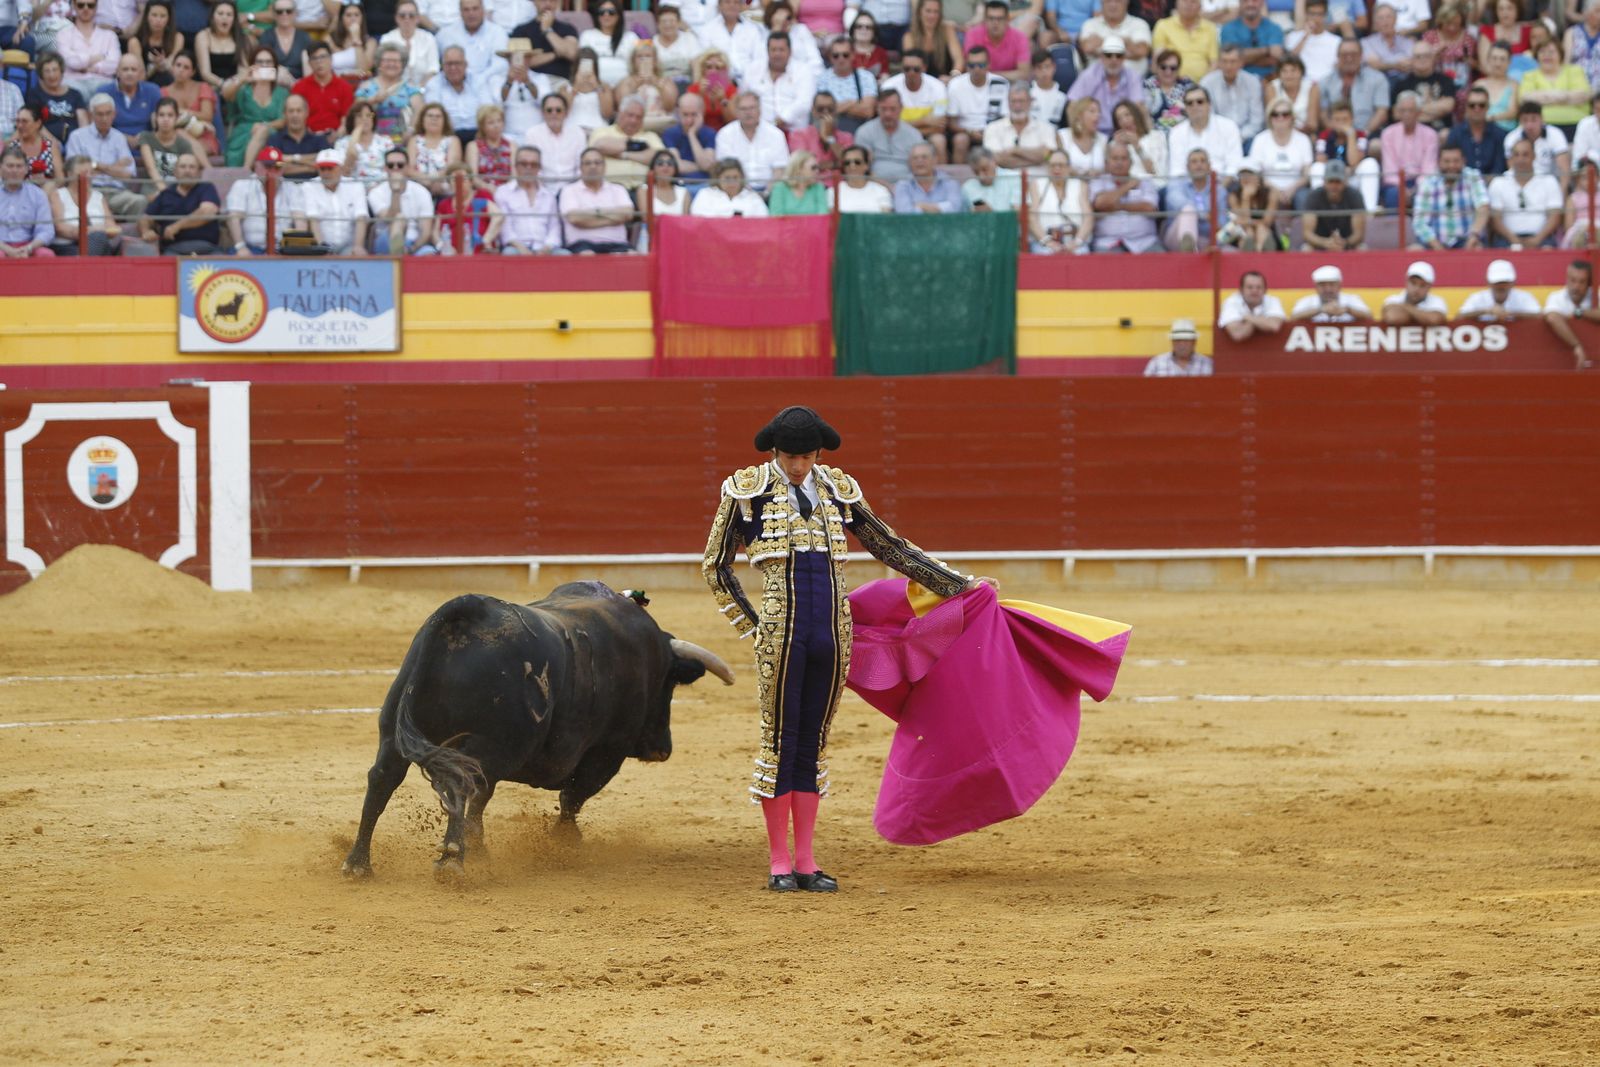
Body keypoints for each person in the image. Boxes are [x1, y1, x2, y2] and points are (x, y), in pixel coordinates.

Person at [702, 405, 992, 893]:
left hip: (833, 634)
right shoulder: (745, 492)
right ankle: (778, 861)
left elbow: (887, 545)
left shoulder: (838, 490)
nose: (799, 467)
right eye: (792, 457)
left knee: (812, 743)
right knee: (780, 743)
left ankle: (808, 861)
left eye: (807, 457)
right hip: (782, 634)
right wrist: (756, 628)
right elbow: (715, 566)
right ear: (775, 452)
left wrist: (958, 585)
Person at [64, 93, 146, 217]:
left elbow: (128, 174)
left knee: (139, 201)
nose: (104, 118)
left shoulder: (119, 138)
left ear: (114, 114)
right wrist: (114, 167)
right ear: (91, 115)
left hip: (116, 193)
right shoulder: (77, 137)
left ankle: (130, 236)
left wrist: (95, 166)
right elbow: (75, 172)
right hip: (88, 191)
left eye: (108, 113)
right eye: (100, 114)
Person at [225, 145, 304, 253]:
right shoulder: (242, 185)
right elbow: (233, 218)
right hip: (250, 247)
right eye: (268, 166)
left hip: (283, 249)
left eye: (277, 167)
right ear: (257, 167)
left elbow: (299, 219)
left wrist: (298, 247)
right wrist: (240, 246)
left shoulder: (292, 188)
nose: (272, 171)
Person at [138, 149, 221, 253]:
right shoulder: (166, 194)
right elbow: (145, 218)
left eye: (192, 167)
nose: (187, 171)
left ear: (199, 173)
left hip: (207, 249)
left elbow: (208, 211)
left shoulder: (207, 188)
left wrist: (177, 226)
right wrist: (146, 231)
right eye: (183, 167)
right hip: (173, 250)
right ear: (175, 172)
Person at [1409, 144, 1488, 250]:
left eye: (1456, 161)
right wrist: (1437, 247)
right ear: (1439, 162)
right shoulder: (1427, 182)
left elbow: (1483, 208)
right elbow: (1419, 222)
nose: (1451, 166)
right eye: (1446, 161)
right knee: (1414, 250)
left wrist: (1474, 235)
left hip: (1467, 240)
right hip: (1434, 241)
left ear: (1463, 161)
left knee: (1478, 249)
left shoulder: (1473, 176)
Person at [1488, 137, 1562, 247]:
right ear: (1511, 158)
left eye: (1525, 154)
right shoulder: (1498, 182)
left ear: (1534, 156)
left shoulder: (1548, 180)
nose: (1520, 159)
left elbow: (1555, 216)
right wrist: (1514, 240)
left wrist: (1537, 240)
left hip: (1542, 239)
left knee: (1549, 251)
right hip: (1507, 240)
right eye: (1516, 155)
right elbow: (1495, 219)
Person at [223, 47, 289, 167]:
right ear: (252, 65)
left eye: (268, 62)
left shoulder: (281, 92)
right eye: (260, 62)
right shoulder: (244, 89)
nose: (264, 65)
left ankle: (246, 169)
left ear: (275, 66)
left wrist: (265, 125)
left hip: (271, 132)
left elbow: (283, 120)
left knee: (262, 131)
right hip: (244, 132)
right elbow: (226, 95)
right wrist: (243, 78)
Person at [1089, 140, 1159, 251]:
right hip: (1108, 243)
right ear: (1107, 162)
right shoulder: (1098, 181)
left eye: (1123, 158)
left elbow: (1149, 207)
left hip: (1145, 242)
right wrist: (1127, 186)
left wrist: (1118, 206)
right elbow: (1100, 204)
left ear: (1131, 162)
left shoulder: (1144, 181)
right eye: (1115, 158)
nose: (1119, 163)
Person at [558, 145, 633, 249]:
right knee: (587, 258)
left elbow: (627, 214)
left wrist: (591, 216)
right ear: (581, 168)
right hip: (582, 245)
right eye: (588, 163)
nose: (593, 166)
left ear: (604, 167)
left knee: (631, 257)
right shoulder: (569, 190)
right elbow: (574, 218)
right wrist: (613, 219)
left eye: (597, 163)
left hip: (617, 244)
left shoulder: (618, 189)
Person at [741, 31, 815, 134]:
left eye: (781, 50)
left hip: (794, 132)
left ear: (790, 51)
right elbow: (744, 98)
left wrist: (778, 121)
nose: (777, 54)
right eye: (773, 50)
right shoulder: (752, 70)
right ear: (767, 51)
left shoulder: (803, 70)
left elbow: (804, 103)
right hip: (759, 132)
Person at [299, 146, 370, 252]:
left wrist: (358, 247)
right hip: (320, 246)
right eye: (322, 169)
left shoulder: (355, 186)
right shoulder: (309, 186)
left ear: (341, 169)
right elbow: (313, 221)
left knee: (356, 253)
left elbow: (361, 218)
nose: (326, 173)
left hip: (349, 247)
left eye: (330, 168)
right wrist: (322, 249)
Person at [1066, 35, 1142, 134]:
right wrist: (1078, 133)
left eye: (1118, 55)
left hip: (1124, 132)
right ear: (1101, 57)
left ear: (1124, 58)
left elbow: (1138, 108)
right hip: (1093, 133)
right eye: (1109, 55)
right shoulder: (1089, 75)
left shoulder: (1133, 77)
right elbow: (1072, 106)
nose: (1113, 60)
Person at [879, 50, 948, 160]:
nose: (911, 73)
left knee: (939, 140)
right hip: (896, 134)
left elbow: (939, 127)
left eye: (916, 69)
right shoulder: (889, 87)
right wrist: (924, 121)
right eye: (907, 69)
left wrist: (906, 126)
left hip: (928, 134)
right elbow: (888, 123)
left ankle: (941, 176)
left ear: (924, 68)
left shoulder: (938, 87)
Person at [368, 143, 436, 252]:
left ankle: (399, 255)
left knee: (429, 253)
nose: (395, 168)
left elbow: (426, 231)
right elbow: (389, 218)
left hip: (413, 244)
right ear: (385, 168)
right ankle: (398, 254)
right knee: (399, 219)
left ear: (408, 167)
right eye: (391, 165)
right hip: (384, 242)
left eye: (400, 165)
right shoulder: (376, 192)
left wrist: (411, 249)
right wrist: (396, 191)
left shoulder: (422, 192)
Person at [713, 89, 790, 186]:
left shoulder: (776, 134)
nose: (748, 113)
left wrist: (767, 193)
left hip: (771, 191)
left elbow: (780, 170)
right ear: (736, 111)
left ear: (760, 109)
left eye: (752, 108)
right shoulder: (725, 135)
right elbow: (725, 171)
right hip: (736, 190)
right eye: (743, 109)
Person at [947, 45, 1009, 162]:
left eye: (981, 65)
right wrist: (970, 132)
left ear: (989, 65)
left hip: (994, 130)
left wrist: (989, 131)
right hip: (965, 131)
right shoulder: (955, 85)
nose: (976, 69)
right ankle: (960, 179)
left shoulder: (1001, 83)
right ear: (966, 66)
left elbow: (1006, 117)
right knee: (960, 140)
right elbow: (952, 122)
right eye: (972, 65)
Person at [588, 93, 664, 189]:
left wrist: (622, 155)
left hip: (644, 190)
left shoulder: (650, 136)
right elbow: (600, 146)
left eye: (638, 117)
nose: (634, 121)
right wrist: (639, 148)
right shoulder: (602, 131)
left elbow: (660, 159)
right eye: (630, 115)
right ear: (620, 113)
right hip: (609, 189)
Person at [496, 143, 562, 253]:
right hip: (515, 247)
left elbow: (554, 229)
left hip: (545, 248)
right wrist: (521, 248)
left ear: (539, 168)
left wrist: (547, 248)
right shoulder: (503, 192)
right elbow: (505, 230)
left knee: (565, 255)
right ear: (515, 166)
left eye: (534, 164)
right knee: (509, 253)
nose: (528, 168)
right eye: (524, 164)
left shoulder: (549, 195)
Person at [1167, 84, 1241, 180]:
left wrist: (1219, 190)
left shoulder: (1228, 126)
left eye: (1200, 101)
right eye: (1190, 103)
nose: (1195, 106)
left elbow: (1234, 167)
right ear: (1185, 108)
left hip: (1222, 183)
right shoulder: (1176, 132)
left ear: (1209, 104)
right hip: (1188, 186)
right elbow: (1177, 171)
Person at [1378, 90, 1439, 208]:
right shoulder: (1388, 133)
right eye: (1403, 111)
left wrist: (1415, 189)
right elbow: (1389, 169)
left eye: (1410, 110)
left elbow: (1429, 169)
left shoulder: (1430, 134)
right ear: (1398, 112)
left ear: (1419, 113)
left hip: (1421, 182)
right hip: (1396, 183)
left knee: (1426, 193)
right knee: (1393, 195)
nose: (1406, 114)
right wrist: (1403, 189)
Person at [1322, 37, 1390, 140]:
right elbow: (1323, 113)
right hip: (1335, 135)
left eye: (1353, 54)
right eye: (1344, 55)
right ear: (1338, 57)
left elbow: (1381, 112)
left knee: (1375, 146)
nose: (1349, 59)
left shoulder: (1377, 79)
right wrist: (1337, 133)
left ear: (1361, 56)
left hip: (1367, 133)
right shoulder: (1326, 81)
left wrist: (1363, 134)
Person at [1248, 98, 1312, 204]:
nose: (1280, 118)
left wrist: (1292, 188)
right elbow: (1256, 172)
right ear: (1269, 118)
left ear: (1292, 117)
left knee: (1305, 197)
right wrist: (1275, 190)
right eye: (1275, 114)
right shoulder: (1260, 139)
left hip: (1296, 188)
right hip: (1267, 187)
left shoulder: (1303, 139)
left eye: (1285, 114)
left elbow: (1306, 173)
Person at [51, 156, 119, 256]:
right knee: (99, 238)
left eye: (91, 173)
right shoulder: (58, 195)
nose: (88, 177)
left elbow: (113, 228)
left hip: (97, 243)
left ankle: (83, 263)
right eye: (83, 173)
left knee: (99, 239)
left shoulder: (98, 196)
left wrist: (95, 232)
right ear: (69, 174)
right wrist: (91, 230)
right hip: (68, 245)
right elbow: (60, 228)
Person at [1028, 146, 1090, 251]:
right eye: (1052, 165)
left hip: (1075, 243)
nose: (1056, 169)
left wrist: (1077, 242)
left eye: (1061, 165)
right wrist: (1048, 242)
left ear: (1069, 167)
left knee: (1082, 254)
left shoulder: (1080, 185)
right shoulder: (1037, 185)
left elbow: (1088, 218)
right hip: (1044, 243)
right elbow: (1032, 218)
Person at [1542, 258, 1599, 370]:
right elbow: (1552, 317)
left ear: (1589, 283)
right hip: (1560, 361)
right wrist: (1576, 345)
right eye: (1572, 280)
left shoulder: (1597, 296)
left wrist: (1578, 312)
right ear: (1566, 279)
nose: (1576, 287)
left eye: (1582, 281)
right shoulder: (1556, 297)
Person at [1199, 43, 1261, 144]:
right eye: (1224, 61)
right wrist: (1227, 137)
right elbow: (1209, 117)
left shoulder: (1252, 82)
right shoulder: (1207, 83)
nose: (1228, 66)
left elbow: (1257, 120)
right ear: (1219, 62)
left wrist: (1240, 136)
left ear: (1241, 63)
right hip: (1217, 137)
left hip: (1247, 137)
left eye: (1233, 61)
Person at [0, 145, 57, 256]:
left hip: (29, 246)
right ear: (1, 168)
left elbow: (47, 231)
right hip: (1, 247)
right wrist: (7, 250)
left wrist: (29, 248)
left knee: (46, 255)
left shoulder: (38, 194)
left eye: (19, 166)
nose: (14, 170)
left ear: (26, 169)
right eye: (10, 166)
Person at [982, 81, 1052, 171]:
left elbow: (1049, 156)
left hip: (1038, 182)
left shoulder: (1046, 128)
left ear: (1030, 102)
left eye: (1021, 101)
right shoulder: (993, 128)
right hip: (1005, 182)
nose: (1017, 106)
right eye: (1013, 101)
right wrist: (1037, 159)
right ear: (1008, 102)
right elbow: (996, 159)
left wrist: (1016, 150)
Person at [292, 41, 357, 136]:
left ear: (331, 59)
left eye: (323, 57)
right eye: (314, 58)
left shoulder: (344, 87)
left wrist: (338, 134)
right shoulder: (299, 87)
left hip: (336, 136)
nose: (319, 62)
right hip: (308, 137)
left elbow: (346, 118)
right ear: (309, 63)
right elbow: (295, 117)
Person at [816, 34, 876, 136]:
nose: (841, 59)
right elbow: (822, 111)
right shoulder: (822, 78)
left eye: (845, 55)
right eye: (836, 55)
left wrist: (836, 108)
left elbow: (868, 111)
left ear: (853, 55)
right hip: (829, 129)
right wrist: (853, 102)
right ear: (830, 57)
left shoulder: (866, 77)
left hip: (859, 131)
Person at [57, 0, 119, 94]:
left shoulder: (110, 36)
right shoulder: (63, 34)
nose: (86, 9)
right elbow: (71, 62)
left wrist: (92, 68)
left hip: (103, 83)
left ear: (96, 6)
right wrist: (98, 57)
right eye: (81, 5)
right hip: (73, 82)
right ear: (74, 5)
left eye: (90, 5)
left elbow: (114, 65)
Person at [614, 42, 679, 133]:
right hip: (633, 122)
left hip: (661, 122)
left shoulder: (666, 81)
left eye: (648, 56)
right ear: (633, 61)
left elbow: (670, 107)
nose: (644, 59)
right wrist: (637, 83)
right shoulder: (626, 82)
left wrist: (655, 82)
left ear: (655, 61)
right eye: (640, 56)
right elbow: (623, 106)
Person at [1504, 99, 1571, 187]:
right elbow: (1512, 169)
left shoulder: (1555, 134)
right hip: (1523, 184)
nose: (1529, 125)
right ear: (1519, 121)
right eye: (1525, 120)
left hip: (1550, 185)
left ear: (1542, 119)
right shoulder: (1511, 138)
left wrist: (1561, 197)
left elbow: (1564, 171)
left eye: (1533, 120)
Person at [1302, 157, 1364, 249]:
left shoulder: (1355, 196)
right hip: (1320, 244)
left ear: (1345, 182)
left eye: (1338, 181)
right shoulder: (1314, 196)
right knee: (1306, 249)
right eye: (1331, 181)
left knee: (1362, 249)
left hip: (1347, 244)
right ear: (1324, 181)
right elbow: (1307, 233)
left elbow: (1359, 234)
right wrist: (1325, 243)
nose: (1334, 186)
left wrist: (1345, 243)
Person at [1446, 86, 1509, 178]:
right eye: (1472, 105)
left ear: (1488, 107)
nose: (1477, 109)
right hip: (1463, 185)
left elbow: (1499, 167)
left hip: (1493, 185)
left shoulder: (1500, 134)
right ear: (1466, 107)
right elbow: (1452, 165)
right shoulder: (1455, 134)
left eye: (1481, 105)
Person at [27, 52, 89, 145]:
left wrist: (78, 143)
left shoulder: (75, 94)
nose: (52, 75)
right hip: (46, 143)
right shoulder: (34, 95)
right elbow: (36, 124)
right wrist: (54, 143)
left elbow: (83, 123)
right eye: (47, 71)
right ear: (41, 74)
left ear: (61, 71)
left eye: (55, 70)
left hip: (75, 143)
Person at [1161, 145, 1215, 250]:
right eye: (1194, 162)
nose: (1199, 165)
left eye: (1202, 161)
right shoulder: (1177, 184)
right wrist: (1203, 214)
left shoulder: (1219, 190)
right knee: (1188, 210)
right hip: (1176, 238)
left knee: (1231, 252)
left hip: (1207, 240)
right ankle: (1190, 254)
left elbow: (1221, 222)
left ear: (1209, 166)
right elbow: (1178, 202)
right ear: (1187, 167)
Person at [787, 91, 852, 177]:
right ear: (813, 111)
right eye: (820, 109)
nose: (825, 113)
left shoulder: (846, 137)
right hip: (810, 186)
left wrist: (829, 138)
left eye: (830, 109)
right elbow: (801, 165)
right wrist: (835, 164)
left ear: (836, 111)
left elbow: (851, 165)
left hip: (839, 186)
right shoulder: (799, 135)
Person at [1081, 0, 1153, 77]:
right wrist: (1126, 44)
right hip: (1097, 82)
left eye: (1118, 1)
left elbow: (1142, 51)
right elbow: (1087, 47)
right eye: (1108, 1)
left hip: (1133, 83)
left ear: (1127, 2)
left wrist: (1103, 47)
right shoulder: (1090, 24)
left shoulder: (1139, 24)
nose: (1113, 5)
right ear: (1101, 3)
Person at [1152, 0, 1218, 83]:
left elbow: (1214, 63)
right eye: (1184, 1)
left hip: (1202, 86)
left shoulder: (1210, 28)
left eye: (1193, 2)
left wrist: (1203, 85)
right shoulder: (1163, 25)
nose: (1188, 5)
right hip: (1171, 83)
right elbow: (1157, 61)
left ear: (1200, 6)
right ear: (1176, 4)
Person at [1396, 44, 1458, 131]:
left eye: (1426, 56)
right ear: (1412, 60)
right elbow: (1396, 114)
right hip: (1411, 131)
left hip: (1440, 130)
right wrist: (1437, 108)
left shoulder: (1445, 80)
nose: (1422, 60)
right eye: (1418, 57)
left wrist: (1411, 111)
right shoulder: (1402, 84)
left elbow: (1447, 107)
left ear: (1433, 58)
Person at [101, 53, 162, 140]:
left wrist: (146, 138)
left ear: (140, 73)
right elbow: (100, 125)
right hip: (112, 141)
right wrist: (123, 138)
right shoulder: (104, 92)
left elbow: (160, 122)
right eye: (125, 69)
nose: (130, 73)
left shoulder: (153, 91)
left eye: (133, 70)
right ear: (117, 72)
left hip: (147, 142)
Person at [1458, 258, 1542, 321]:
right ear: (1488, 283)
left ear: (1513, 282)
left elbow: (1539, 316)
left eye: (1505, 282)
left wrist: (1510, 313)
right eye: (1497, 282)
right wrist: (1487, 311)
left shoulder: (1524, 297)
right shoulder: (1477, 298)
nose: (1501, 286)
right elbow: (1459, 317)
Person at [381, 1, 442, 88]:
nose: (407, 19)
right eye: (402, 16)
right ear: (396, 18)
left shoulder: (429, 39)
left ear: (417, 18)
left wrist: (418, 90)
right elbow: (384, 70)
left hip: (424, 89)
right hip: (393, 89)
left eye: (411, 16)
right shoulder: (387, 39)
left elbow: (433, 70)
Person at [964, 1, 1028, 82]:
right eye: (991, 18)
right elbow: (971, 69)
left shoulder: (1020, 37)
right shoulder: (972, 35)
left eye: (999, 19)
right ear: (985, 19)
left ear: (1007, 20)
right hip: (979, 83)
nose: (995, 23)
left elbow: (1024, 74)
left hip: (1010, 85)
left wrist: (992, 75)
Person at [892, 140, 964, 213]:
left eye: (924, 157)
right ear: (910, 162)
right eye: (915, 158)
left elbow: (955, 207)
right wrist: (939, 208)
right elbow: (904, 212)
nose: (919, 161)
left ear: (935, 160)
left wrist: (921, 206)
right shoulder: (902, 184)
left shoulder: (949, 181)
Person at [137, 97, 197, 181]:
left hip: (176, 190)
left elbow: (188, 174)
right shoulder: (146, 137)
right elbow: (151, 169)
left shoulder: (184, 144)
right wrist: (164, 191)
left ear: (176, 118)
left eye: (170, 115)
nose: (166, 119)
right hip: (152, 189)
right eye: (161, 115)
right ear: (156, 117)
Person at [129, 0, 185, 88]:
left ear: (169, 18)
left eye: (163, 16)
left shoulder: (177, 38)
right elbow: (140, 78)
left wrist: (163, 63)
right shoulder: (135, 42)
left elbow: (177, 73)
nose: (158, 20)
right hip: (145, 86)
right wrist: (154, 66)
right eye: (154, 15)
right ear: (147, 17)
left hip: (172, 85)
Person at [1220, 160, 1275, 248]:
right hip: (1242, 232)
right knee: (1248, 232)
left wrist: (1253, 224)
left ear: (1258, 177)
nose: (1245, 179)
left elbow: (1267, 221)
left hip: (1265, 231)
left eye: (1249, 175)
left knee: (1261, 230)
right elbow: (1242, 223)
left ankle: (1258, 257)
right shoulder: (1233, 196)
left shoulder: (1270, 194)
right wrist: (1246, 198)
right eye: (1242, 175)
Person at [1220, 0, 1281, 79]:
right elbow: (1232, 58)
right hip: (1237, 81)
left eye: (1255, 1)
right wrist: (1267, 49)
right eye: (1245, 1)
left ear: (1262, 2)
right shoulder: (1228, 28)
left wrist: (1246, 58)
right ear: (1240, 3)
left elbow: (1275, 58)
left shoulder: (1274, 28)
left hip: (1268, 80)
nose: (1250, 4)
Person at [1289, 264, 1371, 322]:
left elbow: (1369, 317)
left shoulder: (1352, 299)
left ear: (1339, 286)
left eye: (1332, 285)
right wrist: (1320, 310)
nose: (1327, 289)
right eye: (1323, 285)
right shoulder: (1306, 301)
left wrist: (1347, 310)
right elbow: (1293, 318)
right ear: (1316, 287)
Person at [1218, 269, 1285, 340]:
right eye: (1250, 287)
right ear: (1241, 290)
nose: (1254, 291)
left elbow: (1274, 326)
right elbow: (1237, 334)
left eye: (1259, 287)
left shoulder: (1272, 301)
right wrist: (1261, 321)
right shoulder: (1231, 302)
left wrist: (1247, 317)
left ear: (1265, 290)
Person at [1285, 0, 1341, 86]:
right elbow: (1289, 61)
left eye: (1319, 14)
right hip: (1301, 83)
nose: (1316, 18)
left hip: (1327, 84)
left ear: (1325, 16)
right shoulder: (1292, 37)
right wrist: (1305, 36)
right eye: (1312, 14)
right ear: (1306, 14)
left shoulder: (1337, 41)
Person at [903, 0, 963, 78]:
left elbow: (958, 60)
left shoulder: (947, 30)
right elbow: (911, 65)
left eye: (936, 12)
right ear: (919, 12)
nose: (932, 16)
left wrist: (953, 77)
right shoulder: (909, 37)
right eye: (928, 11)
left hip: (947, 80)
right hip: (921, 82)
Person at [1360, 3, 1412, 89]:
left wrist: (1383, 63)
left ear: (1395, 20)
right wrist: (1396, 65)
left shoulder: (1407, 42)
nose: (1385, 21)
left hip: (1405, 82)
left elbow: (1410, 63)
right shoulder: (1366, 43)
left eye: (1389, 17)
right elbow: (1374, 65)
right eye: (1381, 18)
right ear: (1375, 23)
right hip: (1378, 84)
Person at [1381, 260, 1449, 324]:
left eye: (1422, 285)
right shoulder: (1393, 299)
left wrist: (1404, 307)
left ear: (1429, 287)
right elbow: (1394, 318)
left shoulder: (1438, 301)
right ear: (1406, 282)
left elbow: (1434, 319)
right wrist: (1421, 316)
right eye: (1413, 283)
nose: (1416, 289)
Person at [1474, 40, 1519, 134]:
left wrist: (1491, 118)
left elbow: (1512, 112)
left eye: (1502, 59)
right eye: (1494, 58)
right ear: (1488, 60)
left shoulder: (1514, 85)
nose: (1498, 63)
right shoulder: (1479, 84)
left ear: (1509, 62)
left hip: (1505, 131)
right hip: (1481, 131)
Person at [1143, 47, 1193, 130]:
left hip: (1183, 133)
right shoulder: (1147, 85)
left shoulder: (1187, 86)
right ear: (1157, 67)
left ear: (1179, 69)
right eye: (1163, 67)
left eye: (1173, 68)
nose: (1168, 72)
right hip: (1153, 133)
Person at [7, 106, 62, 181]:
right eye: (18, 121)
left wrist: (46, 184)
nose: (19, 125)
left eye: (24, 121)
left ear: (38, 123)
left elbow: (60, 179)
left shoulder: (50, 147)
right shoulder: (12, 146)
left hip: (46, 190)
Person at [1143, 318, 1213, 375]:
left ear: (1194, 342)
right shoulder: (1157, 363)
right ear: (1172, 342)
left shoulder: (1207, 364)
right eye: (1178, 340)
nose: (1182, 344)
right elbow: (1144, 389)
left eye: (1186, 340)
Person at [651, 6, 701, 84]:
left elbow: (697, 65)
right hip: (661, 86)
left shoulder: (689, 38)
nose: (668, 25)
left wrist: (695, 88)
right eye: (664, 21)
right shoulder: (652, 43)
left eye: (672, 21)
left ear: (679, 23)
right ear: (657, 24)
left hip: (686, 83)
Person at [835, 141, 892, 210]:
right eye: (847, 163)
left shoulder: (880, 190)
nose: (852, 166)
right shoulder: (834, 191)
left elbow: (885, 218)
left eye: (857, 162)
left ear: (866, 165)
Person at [961, 145, 1020, 209]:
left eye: (985, 169)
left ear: (994, 162)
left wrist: (991, 215)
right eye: (976, 172)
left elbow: (1018, 213)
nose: (981, 176)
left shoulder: (1014, 178)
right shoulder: (968, 187)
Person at [327, 3, 376, 78]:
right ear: (341, 18)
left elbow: (364, 70)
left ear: (362, 18)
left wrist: (356, 38)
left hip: (360, 84)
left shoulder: (370, 42)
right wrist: (347, 73)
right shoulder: (330, 39)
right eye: (348, 15)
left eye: (356, 15)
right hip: (336, 82)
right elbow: (324, 68)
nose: (353, 19)